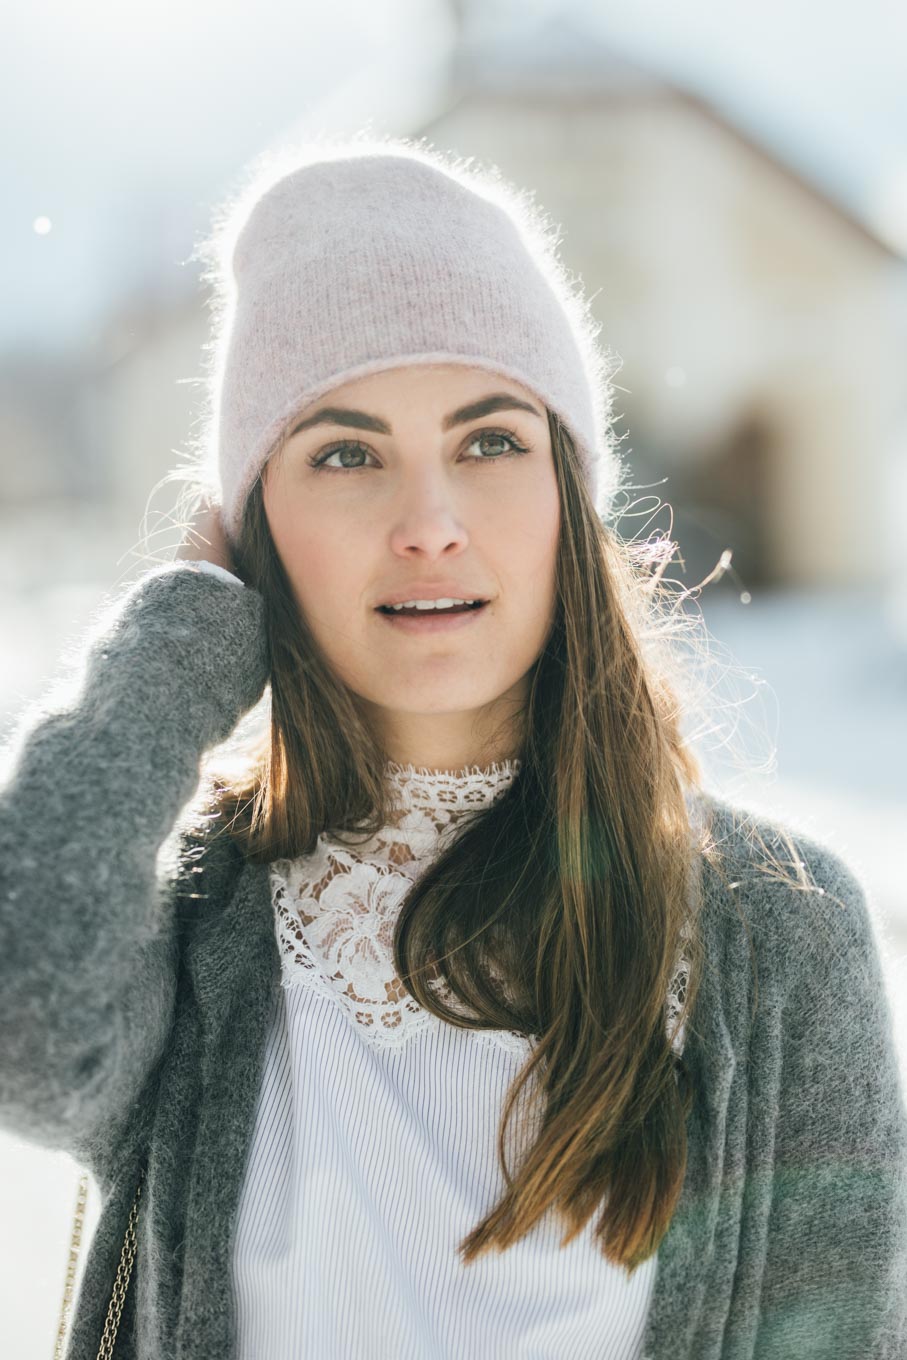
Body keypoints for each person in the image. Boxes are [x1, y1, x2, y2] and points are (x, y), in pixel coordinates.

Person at [1, 131, 905, 1360]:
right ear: (256, 524)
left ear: (567, 502)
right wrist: (185, 640)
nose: (428, 524)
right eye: (344, 455)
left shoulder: (775, 938)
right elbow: (25, 1000)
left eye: (489, 442)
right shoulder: (201, 931)